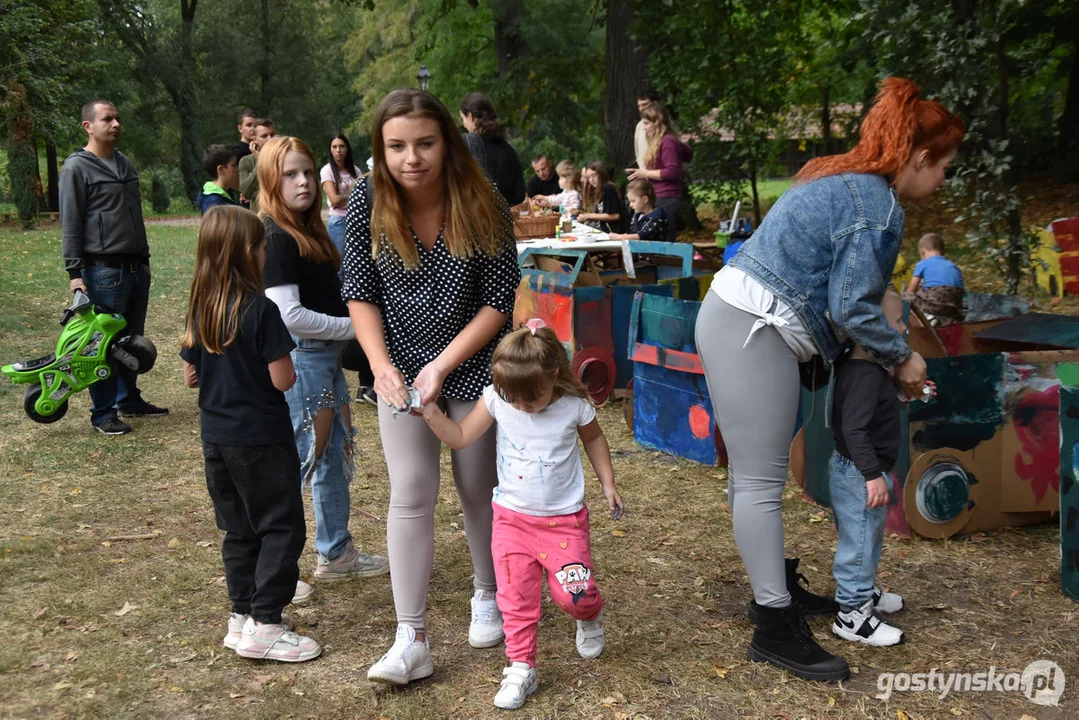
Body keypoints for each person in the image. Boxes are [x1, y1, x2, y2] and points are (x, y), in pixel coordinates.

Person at [694, 78, 965, 681]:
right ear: (919, 158)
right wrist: (903, 357)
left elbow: (847, 291)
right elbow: (853, 308)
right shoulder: (879, 203)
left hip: (741, 321)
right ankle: (773, 625)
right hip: (751, 328)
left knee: (752, 480)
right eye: (944, 166)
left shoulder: (852, 184)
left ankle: (775, 591)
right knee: (760, 483)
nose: (942, 180)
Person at [341, 89, 521, 686]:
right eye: (396, 146)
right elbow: (359, 292)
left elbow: (499, 301)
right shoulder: (368, 199)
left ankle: (487, 593)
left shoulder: (481, 199)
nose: (410, 158)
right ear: (380, 150)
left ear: (447, 141)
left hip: (470, 363)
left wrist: (442, 366)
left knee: (477, 486)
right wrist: (381, 364)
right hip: (399, 369)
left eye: (424, 143)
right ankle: (410, 636)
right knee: (410, 492)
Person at [420, 321, 623, 709]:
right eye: (514, 397)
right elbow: (461, 436)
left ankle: (589, 615)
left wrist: (608, 483)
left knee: (575, 597)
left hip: (563, 522)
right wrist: (430, 412)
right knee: (514, 598)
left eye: (534, 396)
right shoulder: (498, 399)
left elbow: (595, 439)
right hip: (511, 520)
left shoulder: (574, 407)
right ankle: (521, 665)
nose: (523, 406)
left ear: (554, 377)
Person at [180, 205, 320, 663]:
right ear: (247, 253)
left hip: (216, 438)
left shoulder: (200, 308)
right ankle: (266, 622)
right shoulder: (261, 310)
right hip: (261, 439)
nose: (264, 255)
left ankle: (240, 616)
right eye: (261, 247)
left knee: (238, 529)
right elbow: (283, 380)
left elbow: (190, 375)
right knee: (281, 526)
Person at [258, 136, 390, 583]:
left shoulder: (308, 230)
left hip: (326, 360)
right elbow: (288, 316)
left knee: (332, 455)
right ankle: (277, 572)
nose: (303, 183)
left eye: (307, 173)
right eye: (289, 174)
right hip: (303, 361)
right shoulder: (275, 237)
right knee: (301, 461)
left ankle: (335, 554)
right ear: (270, 180)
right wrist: (357, 329)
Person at [59, 99, 169, 436]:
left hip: (135, 268)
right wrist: (75, 275)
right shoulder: (77, 168)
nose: (116, 124)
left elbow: (136, 218)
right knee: (102, 346)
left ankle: (128, 399)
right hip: (102, 271)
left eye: (118, 118)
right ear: (88, 126)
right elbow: (71, 224)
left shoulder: (125, 164)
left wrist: (146, 261)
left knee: (129, 343)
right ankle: (102, 414)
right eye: (107, 119)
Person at [828, 288, 908, 648]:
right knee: (859, 541)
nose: (904, 327)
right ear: (872, 328)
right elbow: (853, 428)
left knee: (868, 537)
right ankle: (852, 614)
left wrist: (906, 394)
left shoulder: (870, 368)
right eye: (896, 321)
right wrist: (871, 475)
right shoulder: (863, 374)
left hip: (861, 471)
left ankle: (865, 592)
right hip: (859, 473)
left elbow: (875, 409)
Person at [627, 103, 693, 242]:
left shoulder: (668, 141)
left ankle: (665, 264)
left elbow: (672, 172)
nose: (644, 128)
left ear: (657, 122)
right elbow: (686, 151)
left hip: (668, 197)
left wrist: (645, 173)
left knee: (663, 242)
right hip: (660, 196)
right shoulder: (664, 140)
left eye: (646, 123)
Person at [459, 92, 526, 206]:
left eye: (463, 118)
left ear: (471, 117)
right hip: (502, 221)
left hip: (473, 219)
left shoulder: (466, 145)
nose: (463, 124)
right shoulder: (509, 151)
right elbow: (519, 195)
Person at [906, 232, 964, 325]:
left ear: (922, 252)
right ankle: (946, 319)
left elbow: (911, 290)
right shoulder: (952, 265)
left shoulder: (923, 264)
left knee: (907, 296)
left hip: (935, 301)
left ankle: (928, 316)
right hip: (954, 306)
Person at [320, 134, 363, 258]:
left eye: (342, 146)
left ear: (347, 148)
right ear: (330, 150)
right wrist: (353, 194)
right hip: (339, 222)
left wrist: (343, 198)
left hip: (357, 219)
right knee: (340, 263)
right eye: (334, 147)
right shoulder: (327, 170)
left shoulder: (356, 171)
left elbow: (363, 197)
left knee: (357, 260)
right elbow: (334, 200)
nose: (338, 150)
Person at [239, 118, 276, 213]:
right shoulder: (246, 161)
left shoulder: (284, 159)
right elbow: (246, 191)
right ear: (255, 140)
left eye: (272, 135)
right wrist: (260, 163)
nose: (270, 139)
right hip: (259, 218)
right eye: (264, 136)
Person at [577, 161, 626, 233]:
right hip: (601, 231)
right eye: (589, 177)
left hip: (613, 232)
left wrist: (588, 216)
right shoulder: (598, 190)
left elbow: (615, 215)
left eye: (594, 175)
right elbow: (599, 215)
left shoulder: (608, 188)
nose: (591, 180)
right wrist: (583, 215)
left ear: (601, 174)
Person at [195, 145, 241, 214]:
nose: (238, 169)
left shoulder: (226, 193)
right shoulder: (213, 202)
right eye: (234, 165)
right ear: (221, 169)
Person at [634, 90, 660, 170]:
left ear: (655, 103)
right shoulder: (639, 126)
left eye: (645, 104)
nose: (641, 109)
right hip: (645, 175)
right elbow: (638, 153)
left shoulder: (665, 125)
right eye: (639, 106)